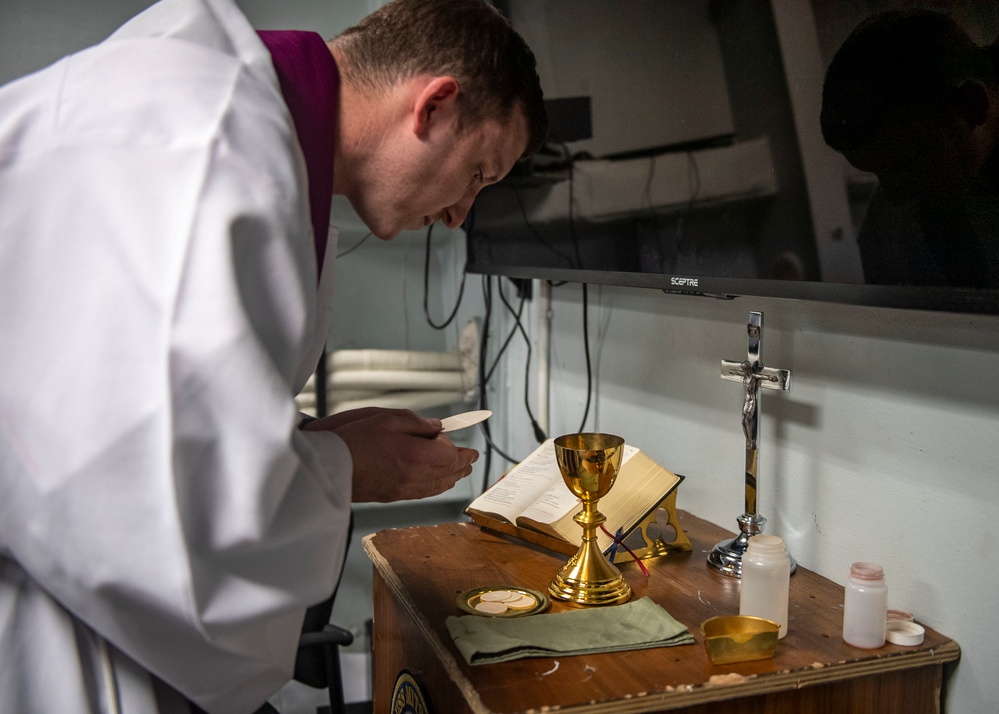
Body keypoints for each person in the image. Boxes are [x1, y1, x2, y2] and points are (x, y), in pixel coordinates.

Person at [0, 0, 547, 711]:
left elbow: (96, 411)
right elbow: (152, 518)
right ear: (434, 107)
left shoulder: (222, 114)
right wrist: (344, 469)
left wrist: (305, 445)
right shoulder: (209, 150)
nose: (458, 214)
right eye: (477, 171)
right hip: (58, 635)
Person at [820, 8, 999, 287]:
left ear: (972, 106)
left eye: (906, 162)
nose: (894, 195)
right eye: (879, 173)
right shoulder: (895, 224)